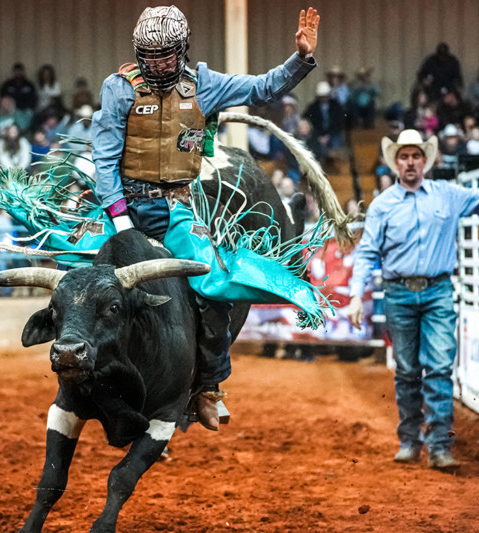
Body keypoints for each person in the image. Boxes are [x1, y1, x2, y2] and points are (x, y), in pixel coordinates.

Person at [91, 5, 321, 431]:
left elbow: (263, 88)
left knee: (212, 285)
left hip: (178, 208)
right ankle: (85, 379)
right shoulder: (118, 89)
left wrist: (301, 58)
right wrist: (120, 220)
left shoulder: (205, 85)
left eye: (165, 55)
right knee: (82, 279)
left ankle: (208, 388)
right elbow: (103, 160)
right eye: (149, 56)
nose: (157, 64)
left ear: (181, 51)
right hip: (124, 207)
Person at [347, 129, 479, 471]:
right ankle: (410, 440)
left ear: (425, 160)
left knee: (438, 367)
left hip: (437, 291)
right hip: (399, 292)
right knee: (407, 370)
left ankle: (438, 445)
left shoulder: (447, 194)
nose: (410, 162)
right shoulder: (383, 205)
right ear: (396, 162)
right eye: (404, 157)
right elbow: (366, 253)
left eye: (416, 156)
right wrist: (355, 295)